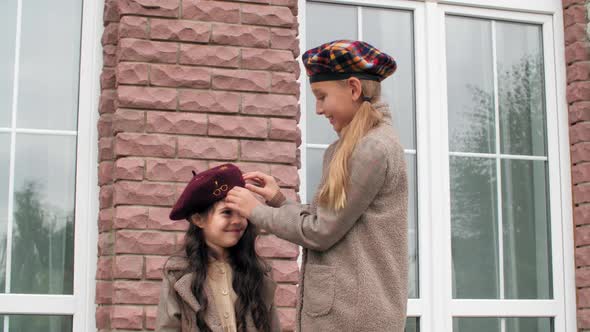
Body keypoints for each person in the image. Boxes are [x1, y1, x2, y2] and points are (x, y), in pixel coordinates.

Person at [226, 40, 409, 331]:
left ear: (353, 89)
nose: (318, 109)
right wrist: (278, 201)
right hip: (349, 314)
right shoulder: (350, 147)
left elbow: (320, 232)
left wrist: (256, 211)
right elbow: (329, 219)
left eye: (322, 96)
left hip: (354, 319)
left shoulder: (371, 149)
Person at [156, 164, 281, 332]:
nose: (237, 221)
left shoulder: (259, 272)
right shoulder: (178, 275)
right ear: (198, 220)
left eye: (242, 213)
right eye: (227, 213)